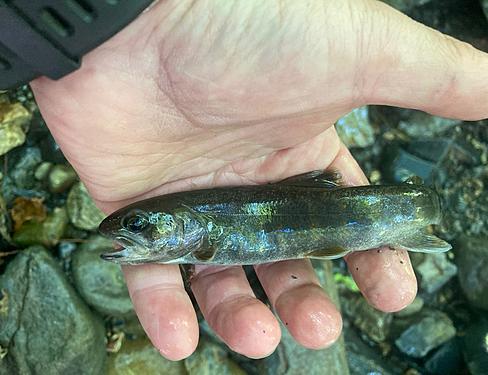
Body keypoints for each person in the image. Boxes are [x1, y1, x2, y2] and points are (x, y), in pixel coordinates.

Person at [29, 0, 488, 361]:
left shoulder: (200, 237)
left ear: (186, 225)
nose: (135, 234)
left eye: (142, 226)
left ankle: (413, 214)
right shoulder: (192, 235)